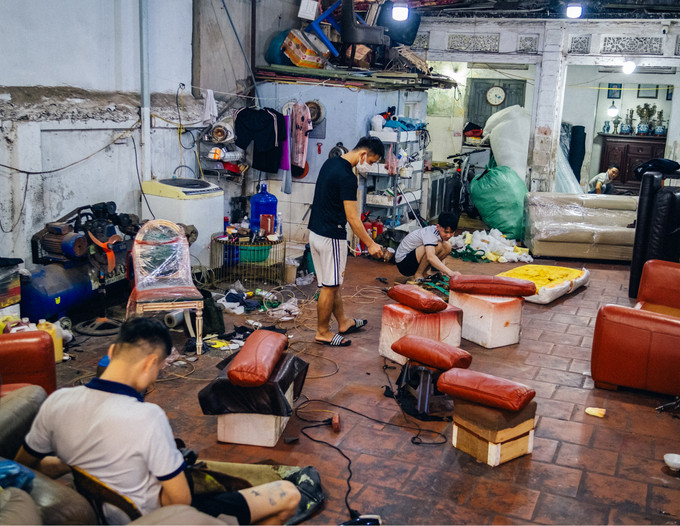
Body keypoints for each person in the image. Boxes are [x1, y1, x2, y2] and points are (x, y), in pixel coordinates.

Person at [15, 317, 300, 525]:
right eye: (158, 369)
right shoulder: (147, 418)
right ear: (151, 363)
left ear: (111, 352)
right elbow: (179, 503)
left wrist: (78, 461)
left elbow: (24, 465)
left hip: (107, 514)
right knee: (288, 494)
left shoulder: (57, 402)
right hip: (156, 518)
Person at [307, 136, 385, 347]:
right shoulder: (348, 177)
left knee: (331, 284)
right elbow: (352, 218)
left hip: (315, 233)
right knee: (329, 287)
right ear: (363, 154)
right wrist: (370, 243)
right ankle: (323, 332)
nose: (369, 166)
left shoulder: (331, 163)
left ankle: (343, 322)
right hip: (331, 236)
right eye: (371, 162)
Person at [394, 211, 461, 281]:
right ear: (438, 227)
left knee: (447, 246)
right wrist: (450, 272)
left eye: (451, 232)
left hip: (413, 259)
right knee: (437, 246)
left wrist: (443, 270)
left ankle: (423, 273)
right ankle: (418, 274)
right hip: (403, 264)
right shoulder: (431, 233)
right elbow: (430, 257)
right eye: (446, 232)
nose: (448, 235)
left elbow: (443, 251)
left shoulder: (439, 233)